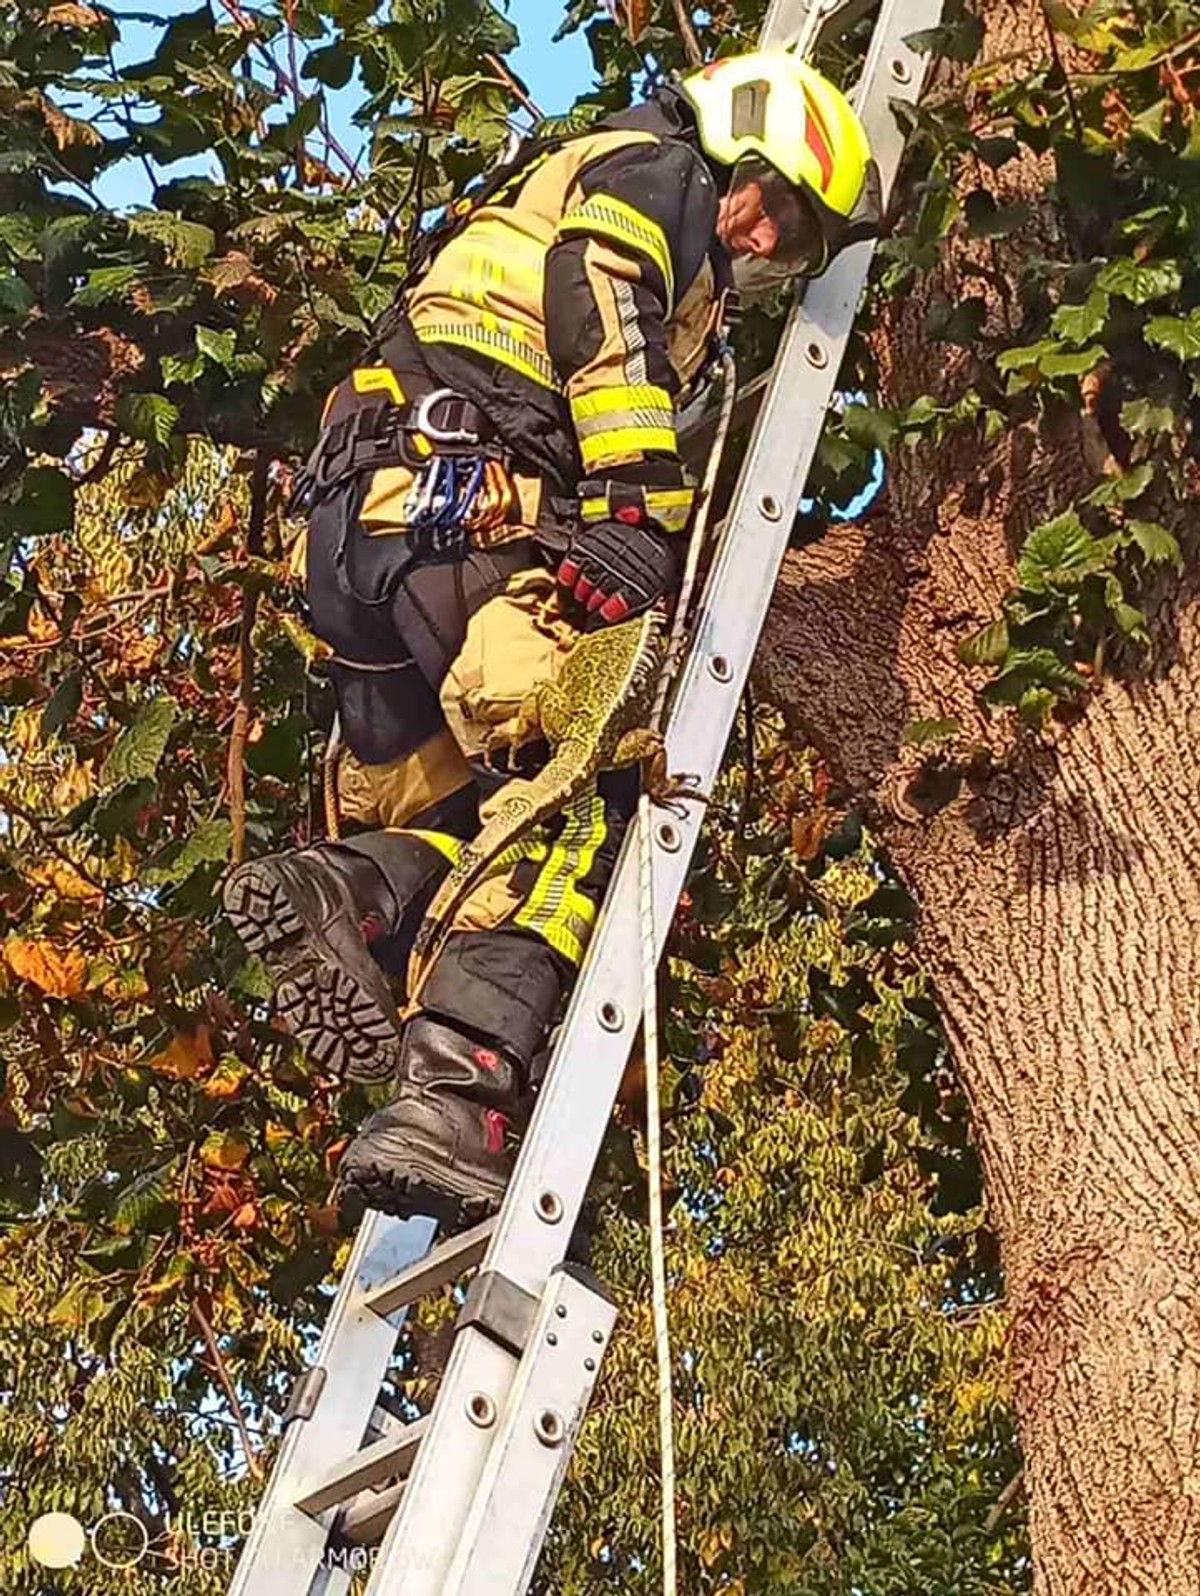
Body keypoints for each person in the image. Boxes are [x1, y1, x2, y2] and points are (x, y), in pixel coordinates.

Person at [223, 49, 876, 1222]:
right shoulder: (659, 171)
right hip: (466, 515)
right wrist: (633, 497)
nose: (761, 237)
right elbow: (600, 286)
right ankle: (459, 1091)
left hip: (370, 535)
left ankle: (349, 890)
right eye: (768, 199)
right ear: (731, 141)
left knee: (466, 819)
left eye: (789, 235)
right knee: (585, 783)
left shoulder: (546, 182)